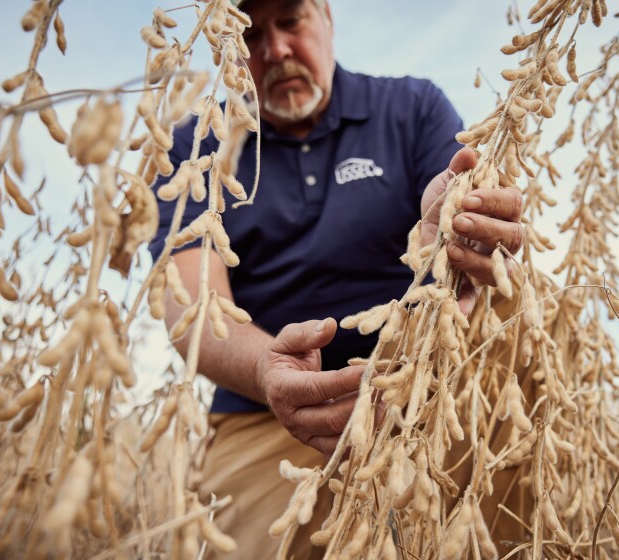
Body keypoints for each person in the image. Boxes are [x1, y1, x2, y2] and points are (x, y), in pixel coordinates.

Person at [148, 0, 525, 557]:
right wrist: (265, 368)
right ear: (227, 46)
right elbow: (190, 308)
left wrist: (451, 225)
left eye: (290, 19)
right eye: (251, 32)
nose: (274, 49)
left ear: (326, 16)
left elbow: (452, 202)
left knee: (520, 318)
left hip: (430, 390)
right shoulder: (196, 143)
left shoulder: (411, 107)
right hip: (264, 420)